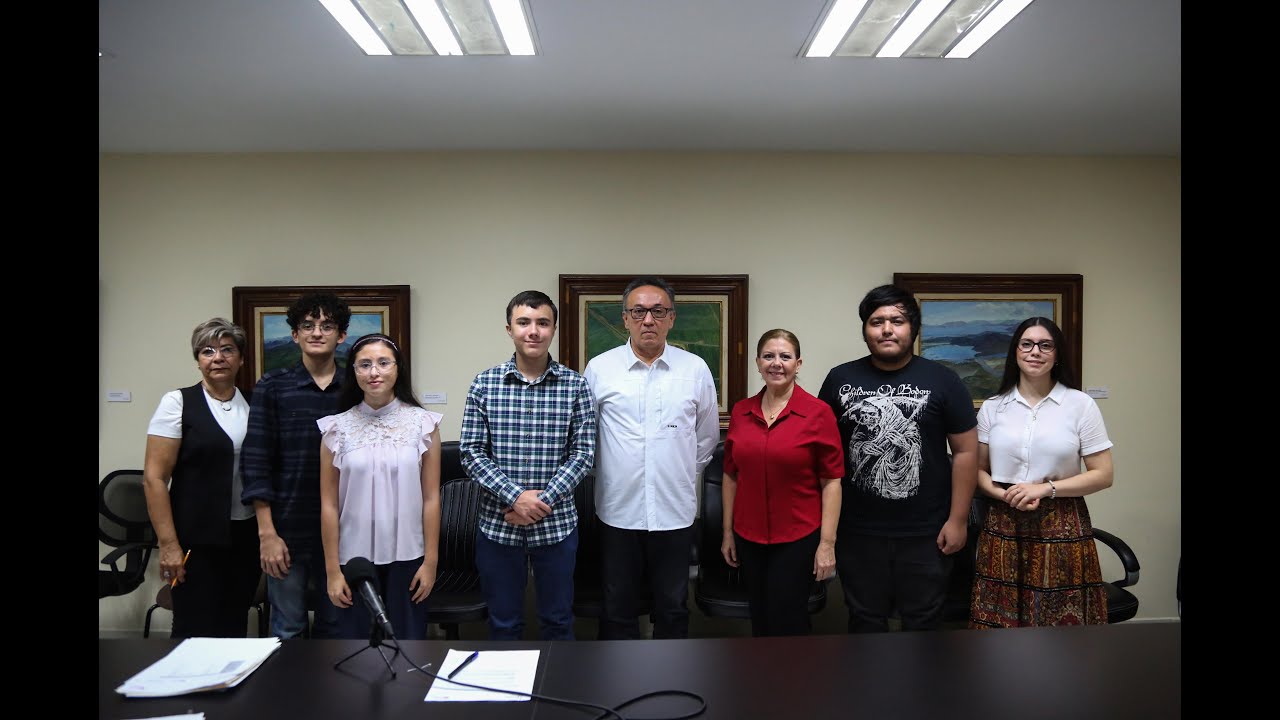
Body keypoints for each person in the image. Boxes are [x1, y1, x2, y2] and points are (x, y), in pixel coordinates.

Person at [818, 284, 978, 633]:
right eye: (877, 322)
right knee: (865, 620)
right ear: (865, 330)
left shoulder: (943, 380)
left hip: (927, 531)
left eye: (897, 321)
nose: (887, 329)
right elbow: (824, 455)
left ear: (913, 329)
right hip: (857, 530)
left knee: (923, 623)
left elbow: (966, 452)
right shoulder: (840, 379)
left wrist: (958, 520)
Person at [583, 276, 719, 640]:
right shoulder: (600, 369)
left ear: (671, 318)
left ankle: (670, 675)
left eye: (658, 311)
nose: (648, 320)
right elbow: (587, 438)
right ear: (625, 318)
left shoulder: (694, 369)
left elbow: (706, 438)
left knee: (673, 607)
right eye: (639, 311)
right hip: (617, 511)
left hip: (674, 512)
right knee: (617, 606)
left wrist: (676, 471)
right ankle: (616, 675)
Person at [460, 291, 596, 640]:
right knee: (503, 624)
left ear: (553, 329)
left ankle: (557, 678)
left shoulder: (576, 386)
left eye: (542, 323)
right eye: (524, 322)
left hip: (557, 527)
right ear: (509, 329)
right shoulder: (484, 384)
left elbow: (583, 454)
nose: (533, 331)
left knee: (558, 622)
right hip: (498, 526)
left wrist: (539, 503)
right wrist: (516, 497)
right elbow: (471, 453)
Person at [969, 317, 1114, 628]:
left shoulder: (1080, 405)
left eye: (1045, 345)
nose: (1035, 351)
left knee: (1060, 622)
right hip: (1004, 521)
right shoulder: (994, 407)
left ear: (1057, 354)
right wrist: (1003, 495)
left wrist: (1044, 488)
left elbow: (1103, 474)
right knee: (1000, 623)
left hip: (1062, 523)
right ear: (1016, 352)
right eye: (1027, 344)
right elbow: (978, 471)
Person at [241, 292, 351, 639]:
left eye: (327, 326)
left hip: (345, 532)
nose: (317, 332)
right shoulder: (273, 386)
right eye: (308, 325)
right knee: (288, 629)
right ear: (295, 335)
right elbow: (256, 461)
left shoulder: (354, 389)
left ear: (341, 336)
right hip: (286, 531)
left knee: (337, 629)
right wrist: (267, 534)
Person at [318, 334, 442, 640]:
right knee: (358, 649)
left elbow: (431, 498)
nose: (374, 372)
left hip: (409, 557)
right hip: (354, 561)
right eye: (365, 365)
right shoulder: (335, 428)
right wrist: (332, 570)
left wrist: (430, 562)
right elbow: (329, 504)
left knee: (409, 646)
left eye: (383, 363)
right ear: (354, 372)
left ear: (398, 368)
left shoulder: (423, 424)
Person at [720, 329, 844, 637]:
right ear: (758, 363)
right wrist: (728, 533)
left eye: (785, 357)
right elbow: (731, 475)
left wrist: (827, 544)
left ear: (798, 364)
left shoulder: (818, 413)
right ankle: (763, 669)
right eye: (768, 356)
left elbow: (831, 482)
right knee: (760, 616)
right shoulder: (741, 411)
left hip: (797, 538)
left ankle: (796, 670)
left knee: (789, 620)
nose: (776, 363)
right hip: (749, 536)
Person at [142, 318, 260, 638]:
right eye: (207, 351)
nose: (218, 358)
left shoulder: (255, 403)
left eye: (227, 350)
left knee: (234, 625)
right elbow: (154, 479)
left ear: (241, 358)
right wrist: (168, 545)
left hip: (245, 536)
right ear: (198, 360)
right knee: (193, 628)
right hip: (194, 538)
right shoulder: (178, 403)